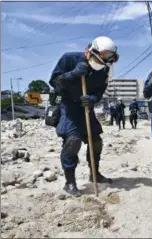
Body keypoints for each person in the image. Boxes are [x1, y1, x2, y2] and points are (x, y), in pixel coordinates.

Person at [49, 36, 119, 196]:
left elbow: (100, 92)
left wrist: (93, 99)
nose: (102, 65)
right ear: (91, 52)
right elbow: (54, 83)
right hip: (68, 107)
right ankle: (70, 182)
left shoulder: (104, 70)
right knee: (73, 142)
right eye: (100, 60)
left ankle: (95, 174)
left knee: (96, 141)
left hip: (86, 108)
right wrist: (72, 74)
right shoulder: (69, 59)